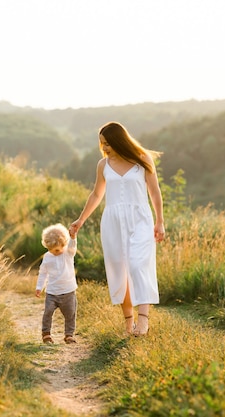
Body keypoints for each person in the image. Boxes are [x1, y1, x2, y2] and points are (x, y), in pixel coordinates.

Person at [69, 121, 165, 337]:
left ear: (119, 141)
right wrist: (80, 219)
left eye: (108, 143)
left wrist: (160, 221)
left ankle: (143, 320)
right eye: (102, 144)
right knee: (119, 271)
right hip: (113, 221)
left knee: (139, 263)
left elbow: (155, 191)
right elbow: (96, 195)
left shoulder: (142, 159)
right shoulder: (103, 165)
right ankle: (128, 323)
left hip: (140, 218)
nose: (105, 148)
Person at [35, 223, 78, 344]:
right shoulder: (48, 257)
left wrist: (73, 237)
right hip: (52, 292)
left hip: (69, 292)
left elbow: (72, 246)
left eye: (57, 250)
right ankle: (46, 334)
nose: (54, 252)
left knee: (70, 314)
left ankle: (69, 335)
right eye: (51, 250)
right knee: (48, 312)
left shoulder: (68, 253)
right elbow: (43, 273)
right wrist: (39, 287)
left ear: (63, 244)